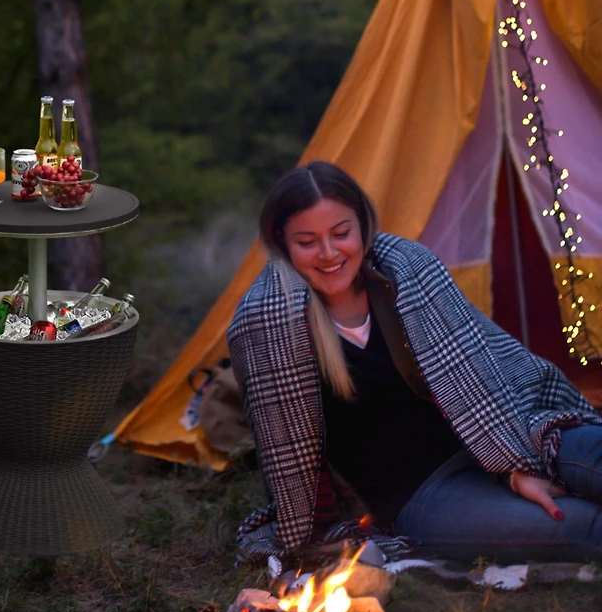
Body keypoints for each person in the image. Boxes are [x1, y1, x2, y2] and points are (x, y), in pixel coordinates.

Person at [227, 160, 602, 568]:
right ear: (281, 240)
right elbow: (289, 458)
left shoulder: (407, 269)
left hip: (511, 431)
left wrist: (513, 467)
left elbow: (482, 371)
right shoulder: (268, 323)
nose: (329, 253)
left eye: (341, 234)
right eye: (307, 241)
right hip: (419, 491)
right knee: (584, 526)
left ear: (363, 225)